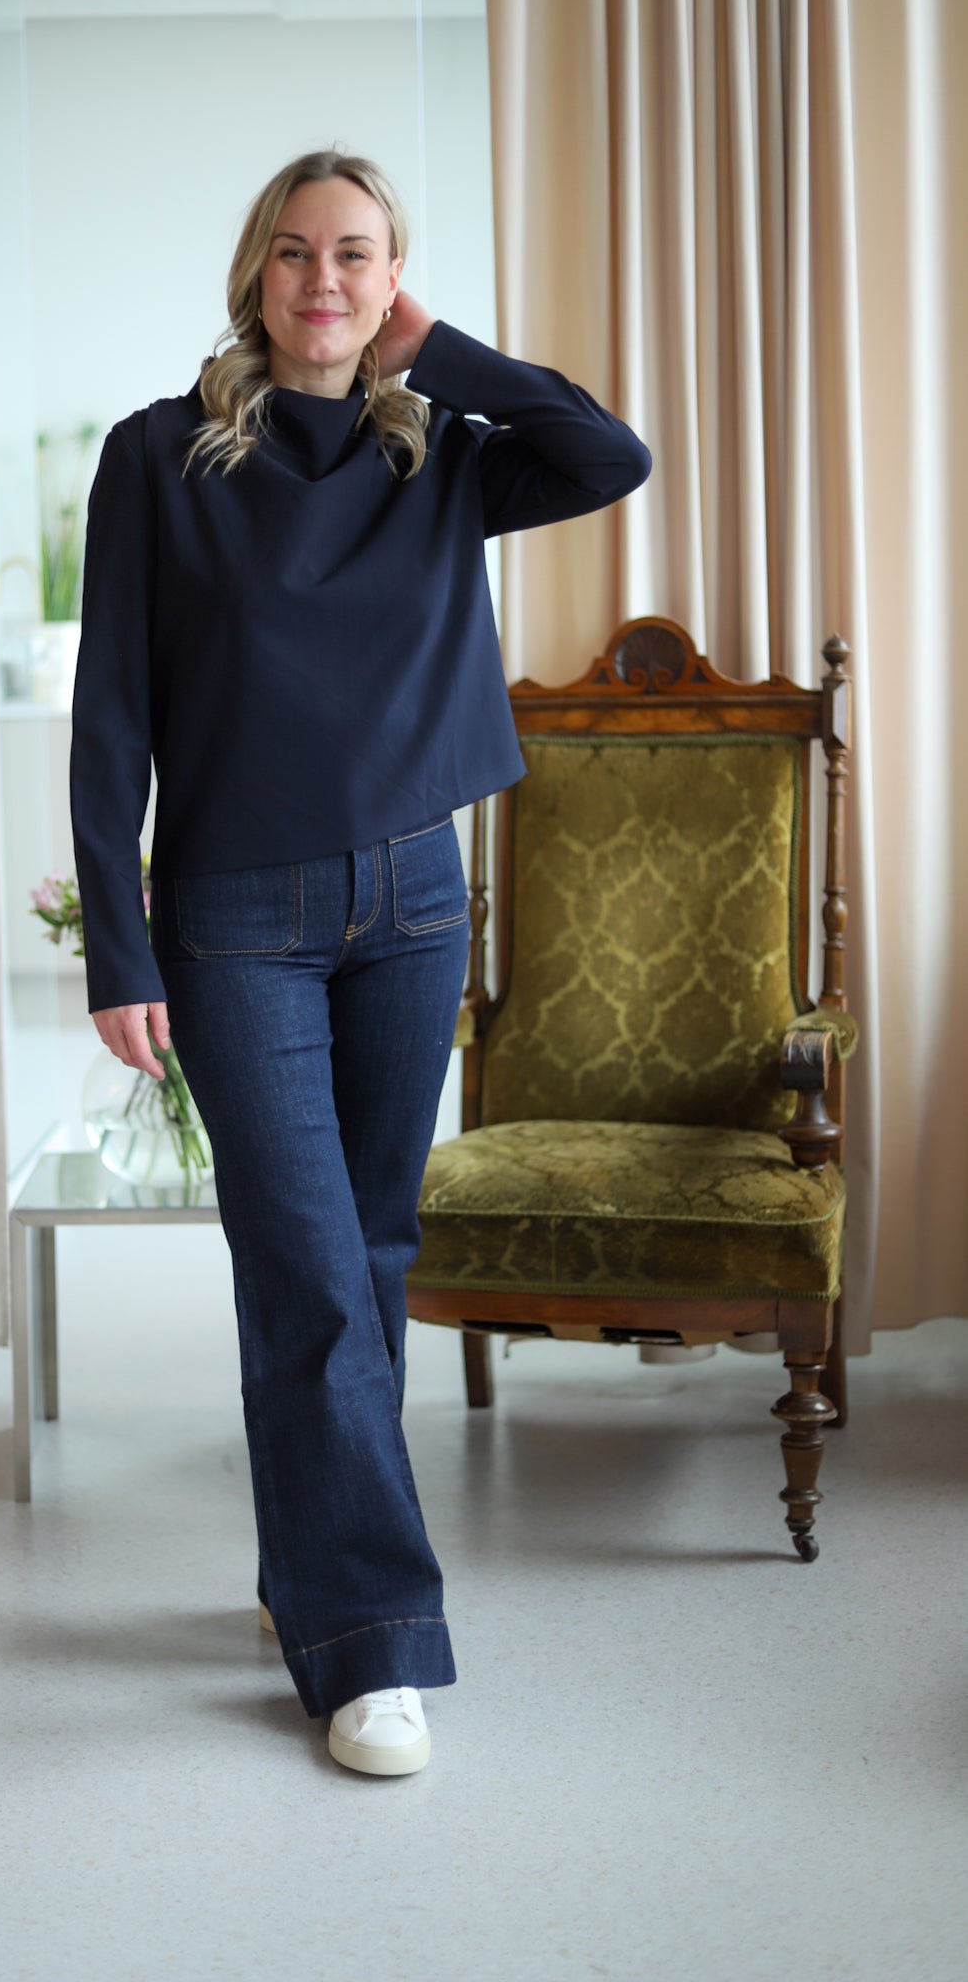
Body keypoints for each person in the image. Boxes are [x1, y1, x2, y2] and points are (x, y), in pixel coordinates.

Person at [69, 146, 651, 1777]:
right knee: (312, 1270)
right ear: (253, 275)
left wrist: (436, 351)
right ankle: (373, 1648)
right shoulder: (158, 456)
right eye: (294, 251)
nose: (321, 280)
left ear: (392, 279)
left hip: (411, 900)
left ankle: (310, 1580)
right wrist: (117, 946)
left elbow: (607, 453)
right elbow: (111, 715)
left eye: (355, 253)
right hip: (233, 918)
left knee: (366, 1260)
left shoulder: (441, 452)